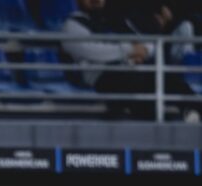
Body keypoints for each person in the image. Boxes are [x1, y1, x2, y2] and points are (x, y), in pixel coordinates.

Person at [62, 0, 198, 120]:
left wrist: (140, 53)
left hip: (127, 71)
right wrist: (129, 51)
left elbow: (144, 43)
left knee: (166, 77)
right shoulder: (72, 24)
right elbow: (93, 51)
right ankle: (156, 125)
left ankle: (194, 110)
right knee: (138, 84)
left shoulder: (111, 20)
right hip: (100, 79)